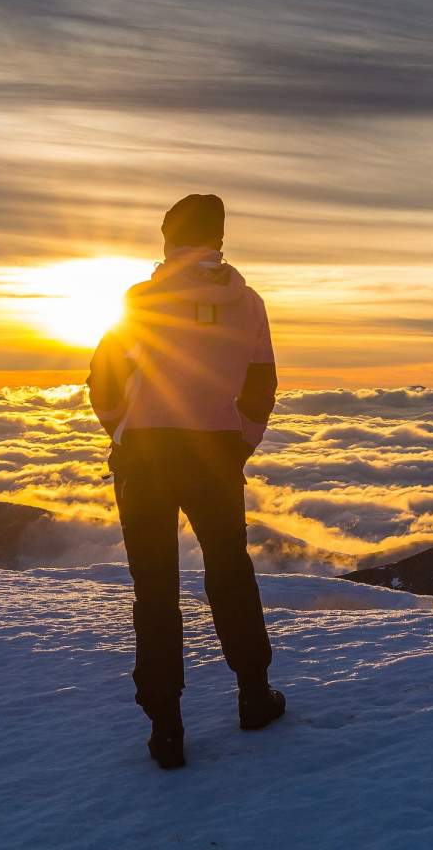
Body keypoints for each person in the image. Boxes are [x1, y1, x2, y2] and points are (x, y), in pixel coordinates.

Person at [87, 193, 284, 770]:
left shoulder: (140, 301)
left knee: (154, 588)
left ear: (169, 240)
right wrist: (237, 443)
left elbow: (104, 379)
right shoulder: (247, 304)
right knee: (229, 571)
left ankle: (166, 729)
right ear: (219, 240)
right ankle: (253, 697)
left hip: (145, 454)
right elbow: (261, 384)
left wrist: (123, 429)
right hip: (215, 455)